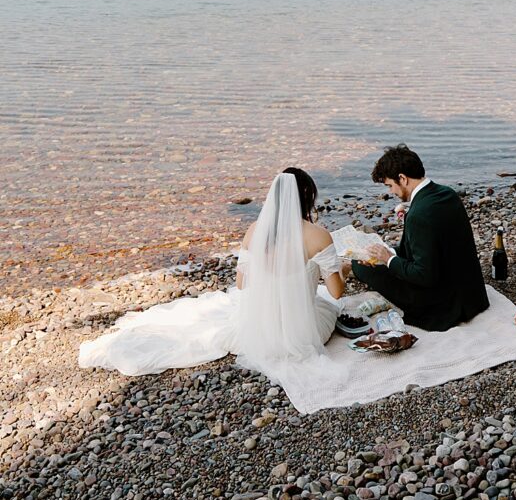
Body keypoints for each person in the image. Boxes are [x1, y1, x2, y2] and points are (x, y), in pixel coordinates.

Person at [79, 169, 346, 378]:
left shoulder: (255, 231)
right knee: (328, 307)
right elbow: (336, 292)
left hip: (258, 333)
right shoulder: (318, 236)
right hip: (304, 334)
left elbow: (242, 285)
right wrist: (340, 268)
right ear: (307, 197)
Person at [349, 144, 489, 331]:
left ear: (403, 178)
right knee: (376, 260)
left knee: (361, 266)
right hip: (473, 295)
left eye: (390, 185)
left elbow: (424, 276)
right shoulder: (447, 193)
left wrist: (388, 259)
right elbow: (433, 246)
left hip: (446, 304)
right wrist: (387, 255)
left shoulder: (418, 215)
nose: (391, 192)